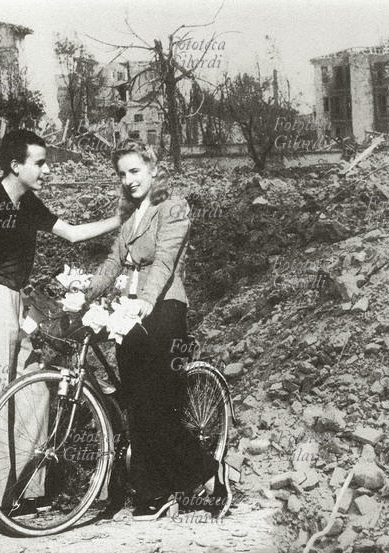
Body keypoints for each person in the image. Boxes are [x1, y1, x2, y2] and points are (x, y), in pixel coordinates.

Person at [0, 129, 123, 512]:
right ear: (16, 166)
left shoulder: (27, 204)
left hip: (14, 302)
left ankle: (26, 490)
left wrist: (120, 219)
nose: (46, 170)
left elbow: (73, 234)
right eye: (40, 163)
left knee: (34, 389)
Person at [85, 140, 232, 521]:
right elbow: (111, 265)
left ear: (153, 169)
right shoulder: (132, 215)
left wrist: (145, 302)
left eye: (135, 171)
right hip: (131, 315)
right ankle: (155, 492)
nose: (128, 180)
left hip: (164, 311)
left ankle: (211, 475)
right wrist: (79, 293)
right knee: (137, 407)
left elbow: (164, 261)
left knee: (155, 407)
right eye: (122, 173)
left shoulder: (173, 207)